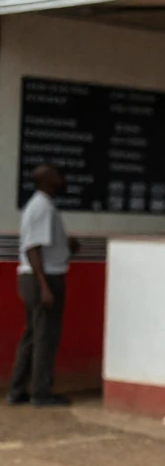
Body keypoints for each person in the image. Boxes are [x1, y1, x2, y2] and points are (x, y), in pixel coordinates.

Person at [8, 165, 78, 407]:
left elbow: (42, 246)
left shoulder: (42, 206)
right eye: (58, 175)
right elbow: (32, 248)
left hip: (36, 277)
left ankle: (17, 390)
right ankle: (41, 393)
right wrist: (45, 286)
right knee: (44, 336)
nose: (63, 179)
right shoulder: (42, 207)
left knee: (31, 335)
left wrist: (67, 246)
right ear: (47, 180)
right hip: (43, 278)